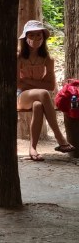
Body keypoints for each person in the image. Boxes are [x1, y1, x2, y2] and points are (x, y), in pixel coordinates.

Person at [16, 20, 75, 160]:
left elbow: (50, 86)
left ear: (43, 38)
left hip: (36, 96)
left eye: (38, 35)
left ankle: (32, 148)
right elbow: (17, 84)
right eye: (31, 35)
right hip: (20, 96)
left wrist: (26, 82)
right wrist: (37, 84)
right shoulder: (18, 57)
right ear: (25, 38)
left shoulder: (47, 59)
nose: (35, 39)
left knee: (38, 105)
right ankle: (59, 137)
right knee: (42, 93)